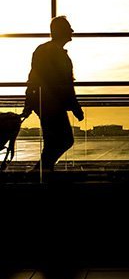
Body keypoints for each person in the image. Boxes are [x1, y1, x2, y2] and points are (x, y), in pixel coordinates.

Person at [22, 16, 84, 172]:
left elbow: (34, 78)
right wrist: (75, 107)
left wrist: (29, 103)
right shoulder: (55, 52)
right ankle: (41, 171)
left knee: (54, 141)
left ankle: (42, 172)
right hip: (52, 104)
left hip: (45, 102)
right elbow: (64, 84)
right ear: (61, 31)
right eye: (69, 28)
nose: (72, 31)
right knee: (64, 140)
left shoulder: (44, 50)